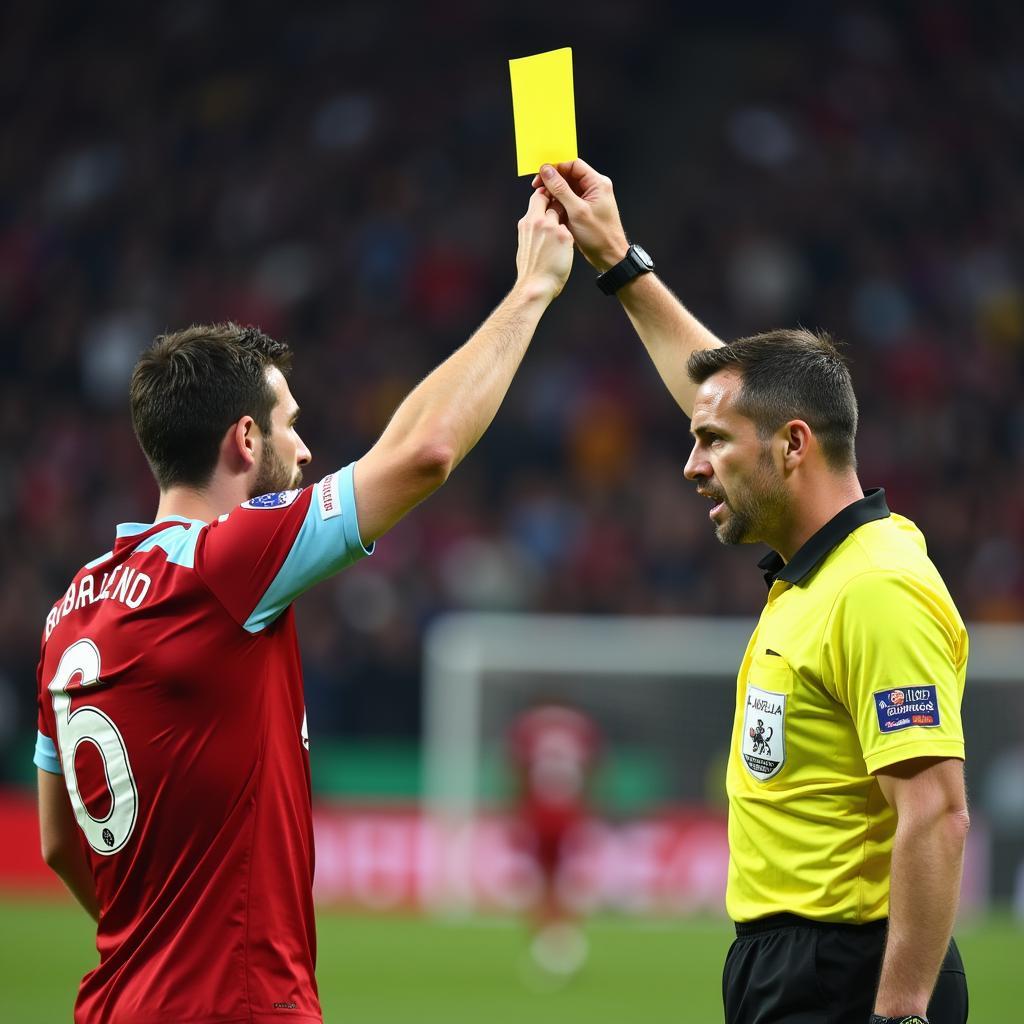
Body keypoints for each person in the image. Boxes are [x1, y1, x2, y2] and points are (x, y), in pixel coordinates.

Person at [33, 188, 573, 1024]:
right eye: (290, 425)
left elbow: (58, 842)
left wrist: (154, 949)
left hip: (112, 1003)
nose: (307, 448)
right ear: (244, 441)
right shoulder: (224, 563)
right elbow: (424, 453)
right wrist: (530, 287)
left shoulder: (68, 609)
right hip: (240, 1005)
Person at [535, 159, 970, 1024]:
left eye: (712, 446)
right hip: (783, 965)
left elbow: (937, 812)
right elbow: (729, 400)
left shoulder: (877, 587)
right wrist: (618, 263)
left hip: (851, 975)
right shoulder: (820, 573)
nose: (690, 465)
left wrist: (902, 1012)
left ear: (794, 447)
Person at [507, 698, 601, 981]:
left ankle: (547, 943)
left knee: (541, 880)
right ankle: (564, 941)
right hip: (570, 812)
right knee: (568, 879)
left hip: (538, 811)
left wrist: (517, 810)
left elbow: (519, 770)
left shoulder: (529, 726)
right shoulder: (580, 726)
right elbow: (592, 769)